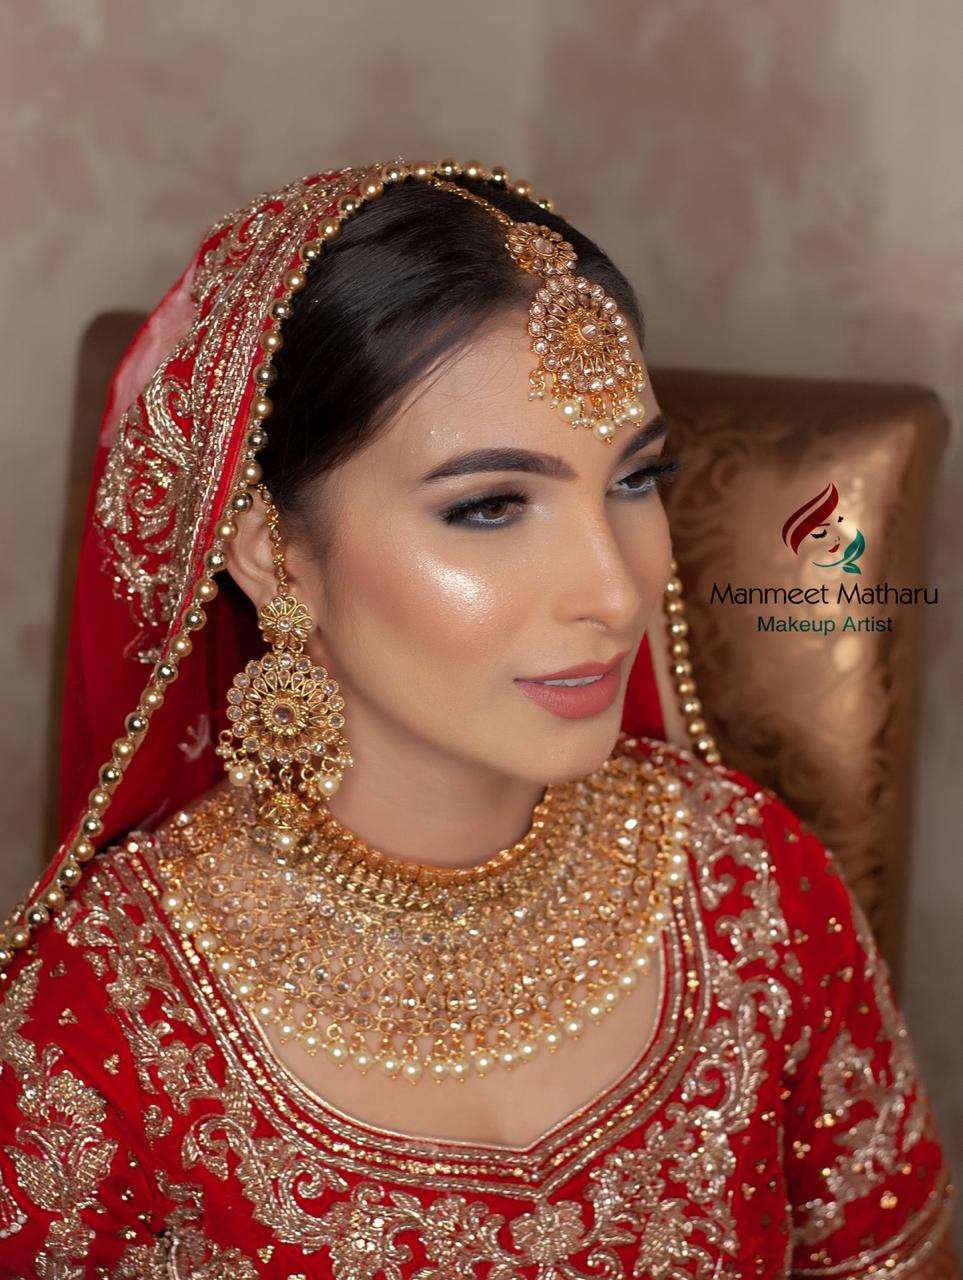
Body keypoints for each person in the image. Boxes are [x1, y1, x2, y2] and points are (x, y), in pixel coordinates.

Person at [0, 157, 955, 1279]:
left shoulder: (746, 887)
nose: (615, 588)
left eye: (635, 480)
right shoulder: (104, 1018)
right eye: (491, 505)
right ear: (274, 555)